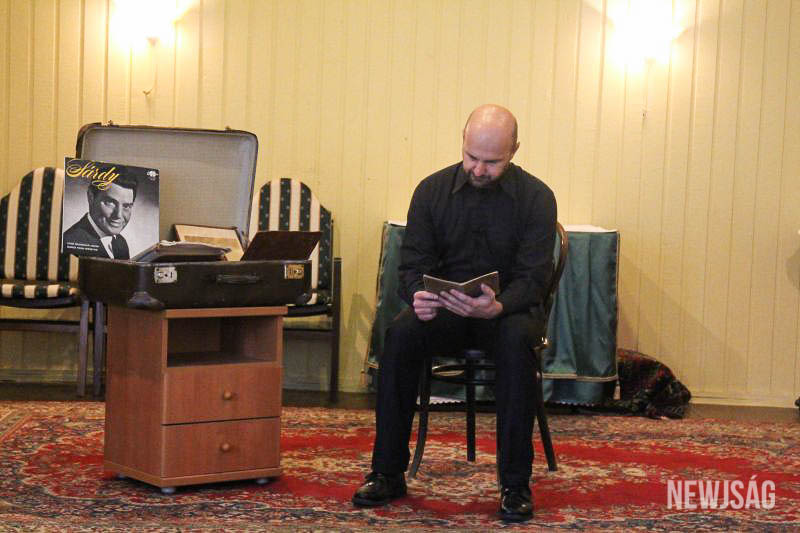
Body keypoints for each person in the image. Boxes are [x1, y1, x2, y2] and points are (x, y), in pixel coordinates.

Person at [351, 104, 557, 522]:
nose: (479, 169)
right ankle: (387, 472)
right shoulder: (431, 191)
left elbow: (535, 277)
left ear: (514, 150)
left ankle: (515, 484)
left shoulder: (537, 198)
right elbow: (411, 267)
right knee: (401, 334)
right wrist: (417, 295)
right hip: (445, 311)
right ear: (463, 141)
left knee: (517, 343)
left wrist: (499, 305)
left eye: (492, 162)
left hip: (506, 314)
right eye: (471, 157)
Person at [63, 177, 137, 259]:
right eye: (110, 202)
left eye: (126, 206)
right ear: (91, 197)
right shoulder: (69, 242)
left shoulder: (121, 242)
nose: (118, 215)